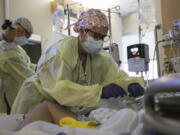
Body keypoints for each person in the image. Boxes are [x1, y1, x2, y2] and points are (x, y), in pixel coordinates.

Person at [11, 9, 144, 115]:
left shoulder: (98, 56)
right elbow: (59, 89)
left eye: (103, 37)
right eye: (96, 36)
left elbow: (116, 76)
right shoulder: (61, 50)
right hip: (35, 103)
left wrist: (130, 83)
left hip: (61, 110)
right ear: (81, 31)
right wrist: (99, 92)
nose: (99, 41)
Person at [0, 18, 35, 114]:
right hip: (14, 94)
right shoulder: (6, 51)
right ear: (19, 30)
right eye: (26, 36)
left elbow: (27, 65)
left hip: (21, 92)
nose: (26, 40)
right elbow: (25, 75)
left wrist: (39, 67)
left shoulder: (14, 46)